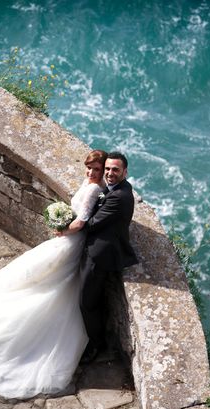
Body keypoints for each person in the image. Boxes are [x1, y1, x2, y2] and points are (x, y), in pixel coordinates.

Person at [0, 150, 108, 399]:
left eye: (96, 170)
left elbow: (80, 222)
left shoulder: (93, 189)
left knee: (49, 279)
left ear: (103, 171)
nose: (91, 173)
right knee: (43, 276)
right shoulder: (92, 184)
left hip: (71, 241)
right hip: (71, 242)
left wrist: (62, 230)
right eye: (89, 168)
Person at [75, 151, 138, 364]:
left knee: (87, 302)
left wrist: (71, 222)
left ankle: (96, 344)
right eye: (108, 169)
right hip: (96, 249)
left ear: (125, 172)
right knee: (91, 299)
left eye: (115, 170)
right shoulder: (113, 188)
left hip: (99, 256)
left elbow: (91, 223)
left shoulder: (119, 196)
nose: (110, 173)